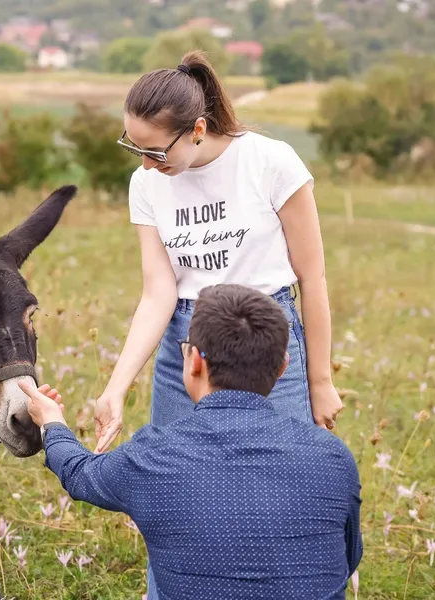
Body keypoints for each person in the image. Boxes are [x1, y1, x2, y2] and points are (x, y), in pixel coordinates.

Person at [20, 283, 363, 600]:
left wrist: (52, 421)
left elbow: (80, 473)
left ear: (194, 361)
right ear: (282, 367)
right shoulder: (333, 457)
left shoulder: (153, 456)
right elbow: (348, 558)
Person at [93, 49, 344, 460]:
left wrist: (320, 381)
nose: (146, 164)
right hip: (186, 344)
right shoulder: (146, 183)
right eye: (134, 148)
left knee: (277, 469)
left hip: (266, 335)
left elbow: (312, 279)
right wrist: (115, 389)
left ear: (197, 129)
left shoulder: (270, 162)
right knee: (178, 472)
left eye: (156, 152)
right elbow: (158, 293)